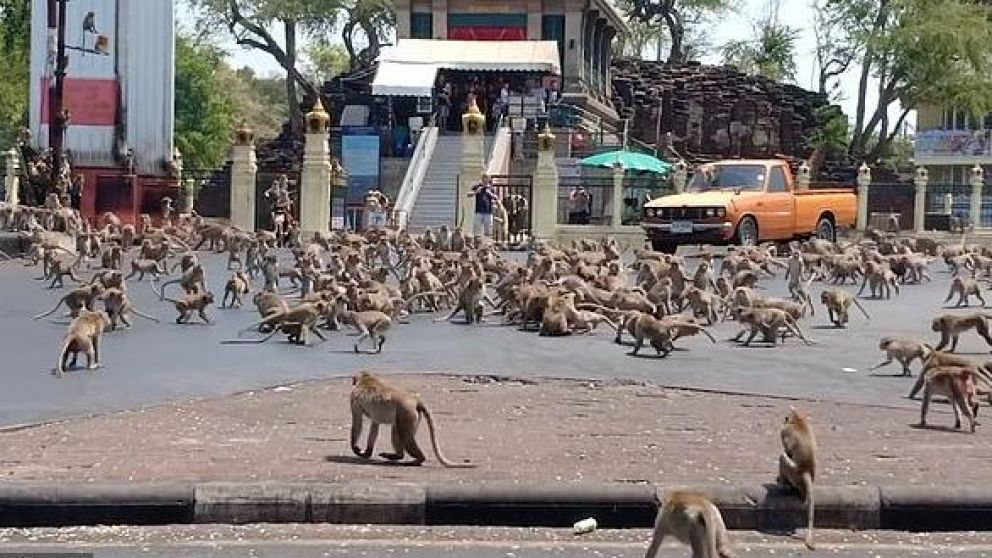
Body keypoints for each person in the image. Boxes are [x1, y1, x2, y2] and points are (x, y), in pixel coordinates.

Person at [469, 173, 497, 238]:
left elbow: (496, 198)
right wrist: (476, 192)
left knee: (488, 230)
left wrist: (490, 194)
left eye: (487, 177)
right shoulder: (477, 186)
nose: (485, 179)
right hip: (478, 211)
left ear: (489, 179)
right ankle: (477, 243)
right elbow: (468, 194)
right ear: (482, 178)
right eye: (484, 177)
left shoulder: (491, 188)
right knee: (477, 230)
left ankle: (487, 243)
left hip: (488, 212)